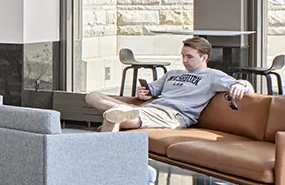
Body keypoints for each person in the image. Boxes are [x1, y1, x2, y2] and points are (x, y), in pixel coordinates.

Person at [84, 37, 254, 133]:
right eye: (183, 56)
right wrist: (143, 94)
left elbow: (246, 86)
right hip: (149, 108)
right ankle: (125, 113)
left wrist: (241, 84)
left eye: (189, 57)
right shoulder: (173, 74)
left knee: (114, 115)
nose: (184, 60)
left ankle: (105, 163)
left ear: (204, 58)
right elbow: (151, 90)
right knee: (92, 96)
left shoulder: (211, 76)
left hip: (172, 115)